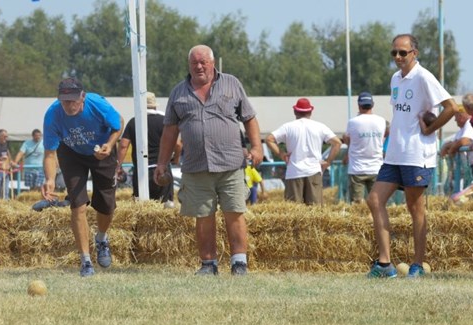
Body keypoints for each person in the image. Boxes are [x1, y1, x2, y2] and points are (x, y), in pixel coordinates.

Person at [154, 44, 263, 276]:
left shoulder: (232, 84)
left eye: (203, 61)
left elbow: (250, 118)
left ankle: (239, 262)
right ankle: (208, 264)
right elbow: (170, 131)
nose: (199, 66)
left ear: (213, 63)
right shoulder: (178, 92)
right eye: (194, 62)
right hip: (196, 166)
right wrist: (162, 163)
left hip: (231, 164)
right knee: (203, 217)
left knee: (234, 213)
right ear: (189, 65)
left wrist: (256, 146)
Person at [366, 34, 457, 278]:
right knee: (374, 200)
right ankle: (385, 264)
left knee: (414, 208)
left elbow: (452, 108)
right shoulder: (395, 78)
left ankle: (418, 264)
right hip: (395, 153)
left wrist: (430, 128)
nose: (397, 57)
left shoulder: (424, 76)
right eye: (394, 53)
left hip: (417, 153)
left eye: (402, 53)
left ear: (414, 53)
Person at [42, 77, 124, 277]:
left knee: (106, 205)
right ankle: (85, 261)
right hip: (71, 154)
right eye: (65, 101)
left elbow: (118, 123)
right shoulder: (53, 115)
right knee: (78, 205)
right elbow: (50, 154)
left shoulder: (97, 105)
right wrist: (50, 179)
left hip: (101, 151)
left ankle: (101, 238)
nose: (69, 106)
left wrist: (110, 145)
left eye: (73, 100)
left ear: (83, 96)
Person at [266, 98, 341, 205]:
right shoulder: (319, 126)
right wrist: (328, 162)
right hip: (314, 171)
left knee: (293, 212)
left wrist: (281, 154)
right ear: (310, 112)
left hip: (294, 172)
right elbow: (337, 143)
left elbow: (269, 139)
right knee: (315, 212)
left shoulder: (288, 127)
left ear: (295, 112)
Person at [117, 92, 175, 203]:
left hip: (141, 171)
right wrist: (176, 159)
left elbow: (123, 145)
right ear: (155, 105)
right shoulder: (165, 121)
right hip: (163, 169)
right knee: (166, 206)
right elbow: (177, 144)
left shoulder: (134, 122)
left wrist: (118, 166)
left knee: (142, 206)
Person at [343, 91, 388, 203]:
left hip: (357, 168)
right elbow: (387, 133)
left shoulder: (352, 122)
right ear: (372, 104)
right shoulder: (381, 121)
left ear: (359, 105)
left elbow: (348, 139)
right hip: (376, 167)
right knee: (378, 202)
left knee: (357, 203)